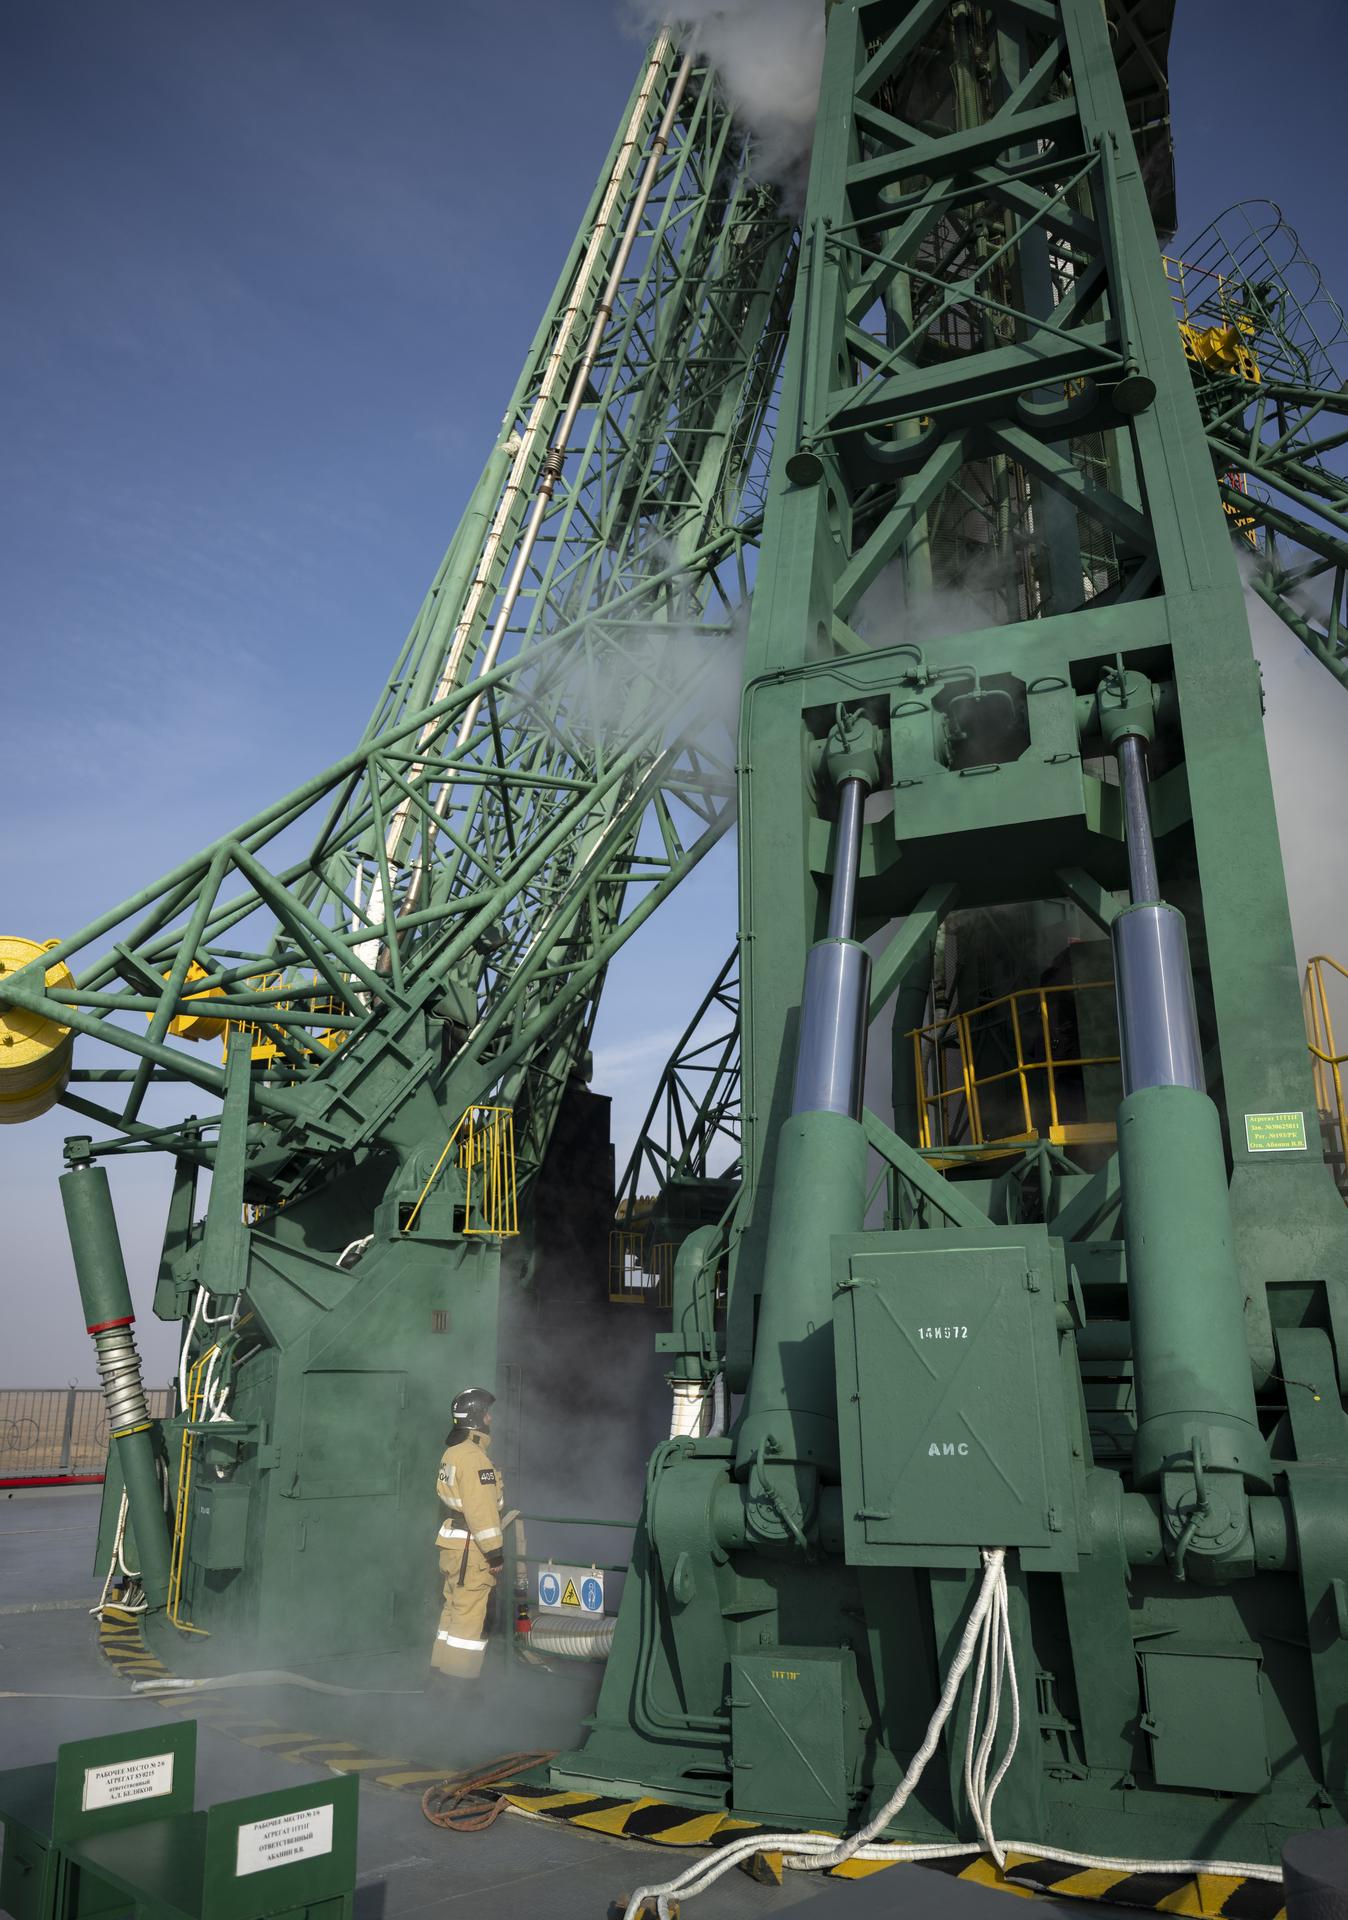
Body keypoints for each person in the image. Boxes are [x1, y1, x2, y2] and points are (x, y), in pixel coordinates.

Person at [431, 1386, 507, 1682]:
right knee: (470, 1620)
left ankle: (438, 1678)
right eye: (487, 1413)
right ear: (477, 1419)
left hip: (452, 1546)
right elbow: (482, 1511)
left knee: (452, 1612)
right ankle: (459, 1689)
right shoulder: (475, 1458)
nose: (491, 1417)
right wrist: (495, 1552)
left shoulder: (453, 1452)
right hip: (471, 1550)